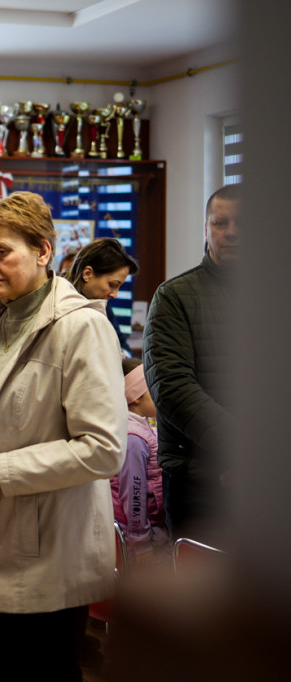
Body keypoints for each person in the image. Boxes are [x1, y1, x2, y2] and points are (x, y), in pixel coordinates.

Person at [0, 192, 126, 681]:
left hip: (51, 543)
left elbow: (103, 449)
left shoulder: (81, 327)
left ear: (43, 251)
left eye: (2, 252)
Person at [143, 185, 239, 545]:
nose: (231, 232)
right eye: (221, 222)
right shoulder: (174, 297)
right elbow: (172, 388)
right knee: (205, 597)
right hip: (201, 481)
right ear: (206, 228)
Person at [112, 358, 169, 562]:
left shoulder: (142, 426)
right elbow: (133, 494)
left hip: (154, 529)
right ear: (134, 397)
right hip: (144, 540)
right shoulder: (133, 439)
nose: (159, 393)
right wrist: (142, 545)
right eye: (152, 388)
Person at [65, 237, 140, 355]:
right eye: (112, 285)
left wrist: (124, 356)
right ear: (87, 274)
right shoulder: (61, 308)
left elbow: (121, 343)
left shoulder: (101, 304)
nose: (114, 295)